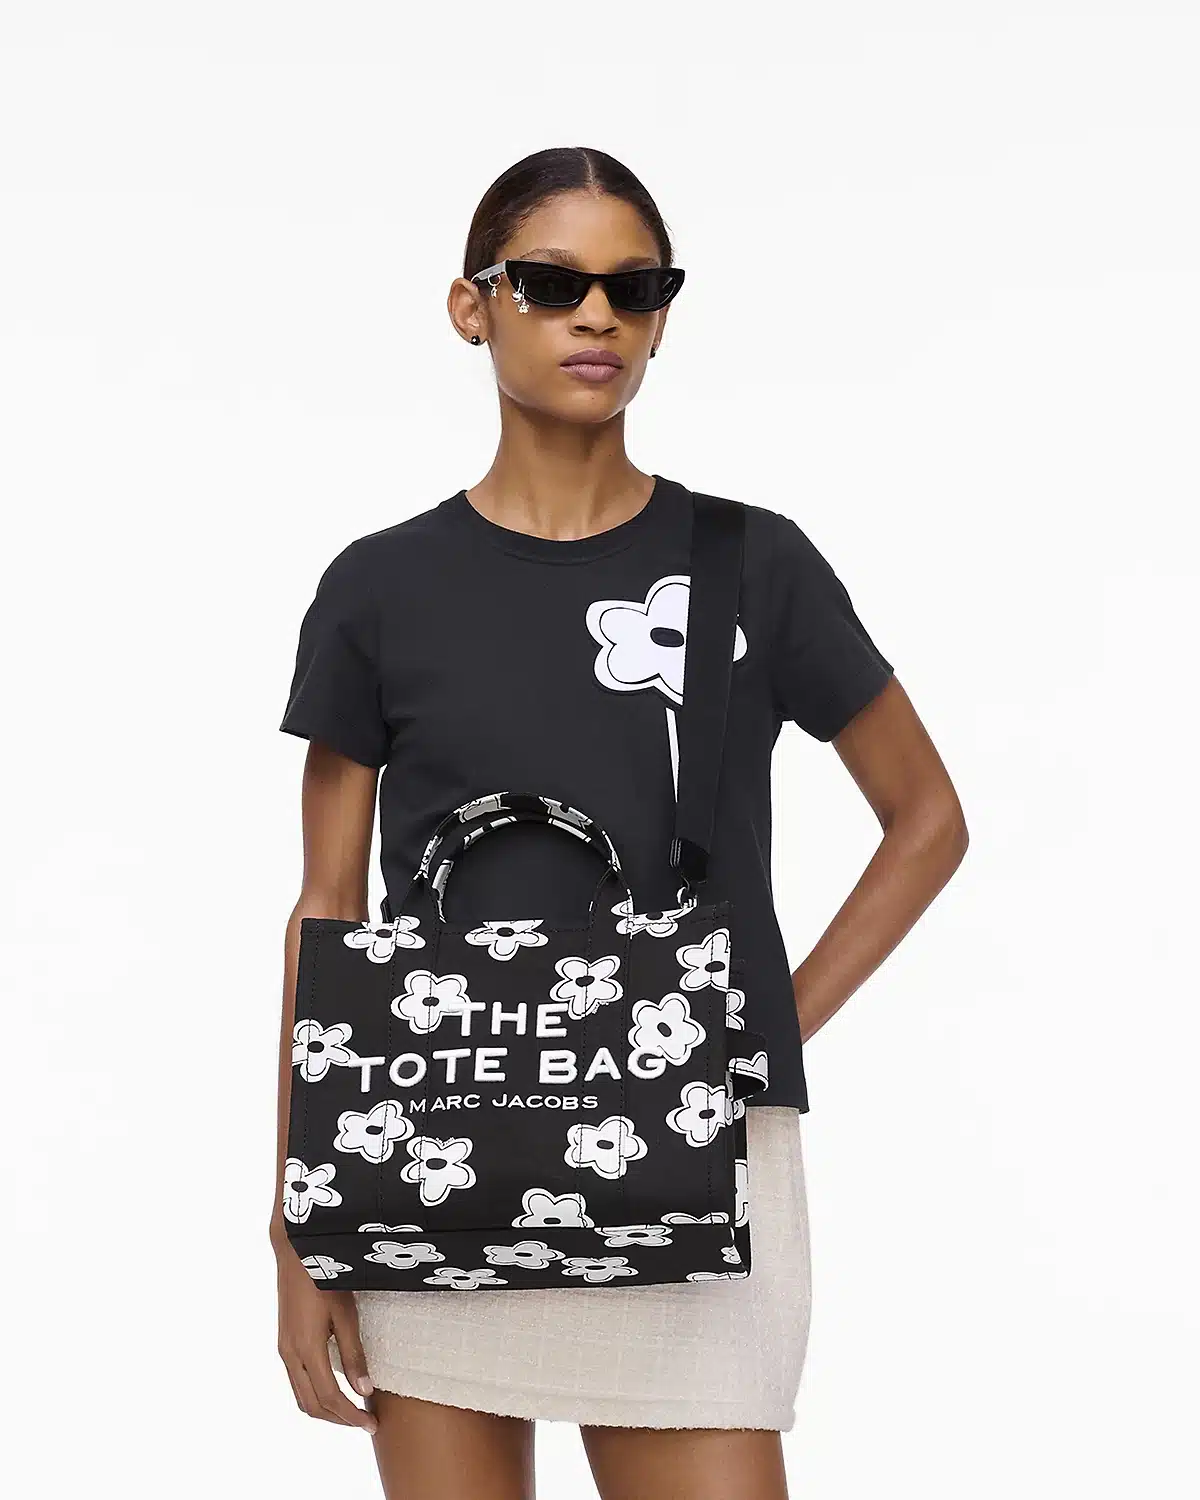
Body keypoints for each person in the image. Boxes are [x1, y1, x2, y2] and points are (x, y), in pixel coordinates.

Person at [269, 146, 968, 1500]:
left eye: (635, 288)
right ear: (472, 307)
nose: (597, 315)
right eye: (551, 283)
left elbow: (927, 817)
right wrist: (298, 1220)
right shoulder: (379, 589)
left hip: (693, 1150)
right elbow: (326, 911)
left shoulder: (752, 563)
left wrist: (757, 1028)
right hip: (438, 1133)